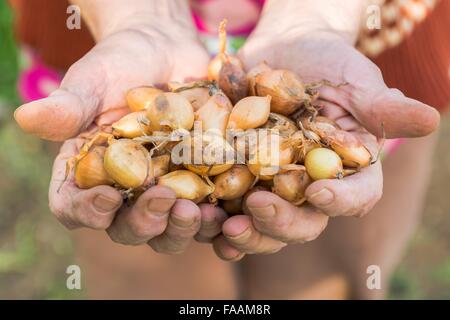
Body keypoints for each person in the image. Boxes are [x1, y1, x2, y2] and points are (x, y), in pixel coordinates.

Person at [12, 0, 449, 299]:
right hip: (107, 20)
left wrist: (316, 16)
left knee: (328, 271)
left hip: (361, 27)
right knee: (146, 271)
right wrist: (137, 18)